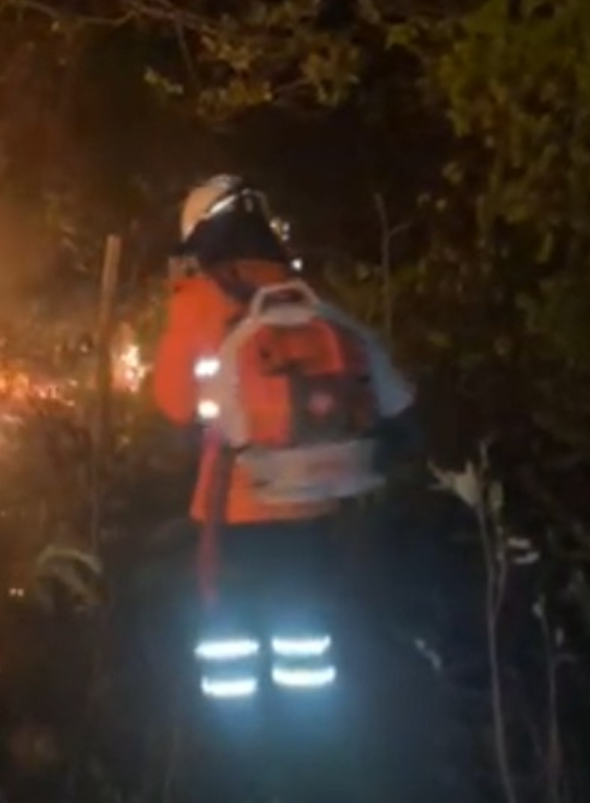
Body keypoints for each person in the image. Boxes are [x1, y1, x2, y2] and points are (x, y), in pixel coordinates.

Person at [152, 174, 419, 702]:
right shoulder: (314, 296)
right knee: (305, 634)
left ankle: (237, 753)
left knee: (230, 643)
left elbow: (173, 403)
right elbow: (398, 401)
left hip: (232, 505)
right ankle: (309, 746)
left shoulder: (197, 300)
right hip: (316, 504)